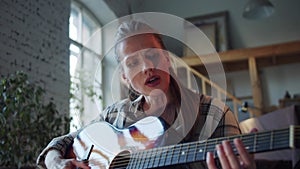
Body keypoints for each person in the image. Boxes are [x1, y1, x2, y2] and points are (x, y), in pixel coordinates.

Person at [37, 20, 256, 169]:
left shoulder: (215, 114)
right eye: (133, 63)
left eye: (152, 55)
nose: (146, 67)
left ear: (167, 59)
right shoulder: (115, 115)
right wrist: (56, 162)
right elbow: (62, 142)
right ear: (124, 76)